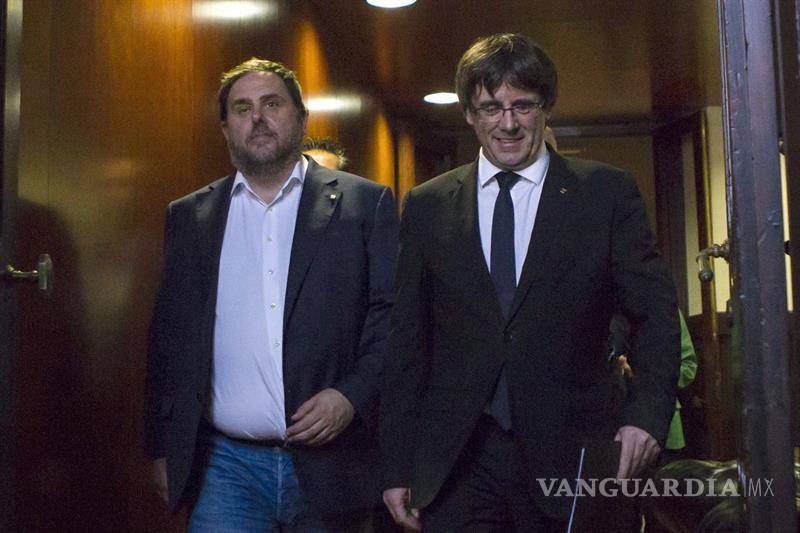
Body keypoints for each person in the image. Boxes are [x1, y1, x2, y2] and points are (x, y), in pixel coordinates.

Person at [380, 34, 680, 532]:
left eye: (523, 105)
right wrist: (396, 465)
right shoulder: (428, 205)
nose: (508, 123)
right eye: (491, 107)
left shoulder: (604, 193)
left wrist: (646, 418)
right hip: (456, 464)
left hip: (571, 458)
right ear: (469, 114)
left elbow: (654, 316)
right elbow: (407, 342)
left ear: (546, 108)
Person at [145, 57, 398, 531]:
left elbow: (393, 319)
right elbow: (168, 337)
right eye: (242, 109)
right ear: (226, 128)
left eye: (271, 104)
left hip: (332, 466)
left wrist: (351, 395)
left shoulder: (364, 204)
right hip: (225, 468)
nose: (257, 118)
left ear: (301, 118)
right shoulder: (190, 217)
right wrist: (160, 445)